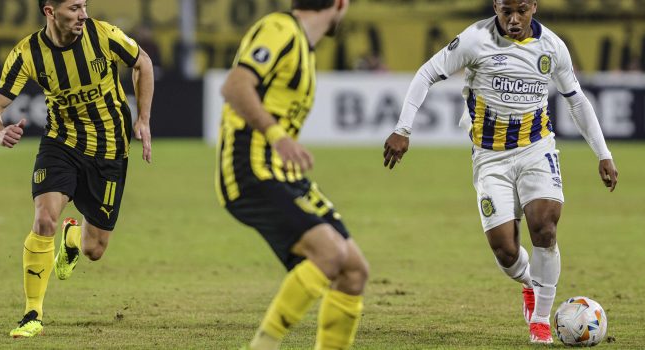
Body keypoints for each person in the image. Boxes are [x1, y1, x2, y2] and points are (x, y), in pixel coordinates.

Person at [383, 0, 618, 344]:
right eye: (505, 10)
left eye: (521, 10)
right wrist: (403, 128)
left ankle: (540, 319)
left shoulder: (552, 46)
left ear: (534, 6)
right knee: (506, 252)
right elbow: (426, 73)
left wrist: (603, 153)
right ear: (496, 5)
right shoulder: (475, 39)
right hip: (490, 158)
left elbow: (576, 100)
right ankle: (528, 282)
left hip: (537, 149)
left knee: (545, 226)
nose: (513, 19)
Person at [0, 0, 153, 338]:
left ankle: (73, 239)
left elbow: (143, 63)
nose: (83, 14)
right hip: (62, 143)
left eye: (84, 6)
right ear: (50, 12)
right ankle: (32, 314)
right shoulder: (27, 53)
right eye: (74, 8)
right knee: (44, 219)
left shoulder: (102, 35)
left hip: (110, 151)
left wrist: (144, 119)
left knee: (94, 250)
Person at [216, 1, 368, 349]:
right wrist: (277, 136)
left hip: (283, 173)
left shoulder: (303, 46)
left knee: (354, 270)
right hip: (250, 168)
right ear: (340, 4)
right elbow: (236, 86)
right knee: (329, 255)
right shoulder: (280, 29)